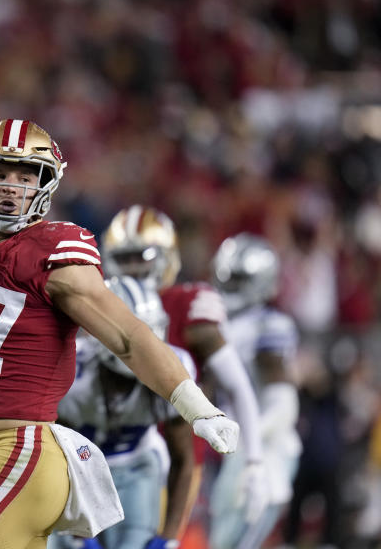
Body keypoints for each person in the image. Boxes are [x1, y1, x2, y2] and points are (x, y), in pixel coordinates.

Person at [0, 118, 240, 549]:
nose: (11, 186)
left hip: (22, 453)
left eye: (25, 176)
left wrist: (196, 405)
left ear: (46, 183)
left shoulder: (57, 253)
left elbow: (128, 336)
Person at [99, 206, 269, 532]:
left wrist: (255, 461)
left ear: (167, 258)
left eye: (143, 256)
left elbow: (238, 385)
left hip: (176, 461)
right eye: (126, 258)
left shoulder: (191, 307)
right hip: (109, 455)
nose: (134, 268)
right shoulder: (99, 305)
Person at [48, 275, 198, 549]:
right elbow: (53, 459)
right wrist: (72, 529)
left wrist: (171, 537)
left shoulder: (175, 374)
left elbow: (183, 459)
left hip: (136, 468)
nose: (146, 349)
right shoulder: (72, 376)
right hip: (76, 471)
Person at [208, 234, 301, 549]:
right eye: (228, 277)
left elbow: (282, 399)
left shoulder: (267, 325)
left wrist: (251, 440)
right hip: (224, 447)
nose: (231, 285)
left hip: (261, 452)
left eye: (239, 278)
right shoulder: (215, 319)